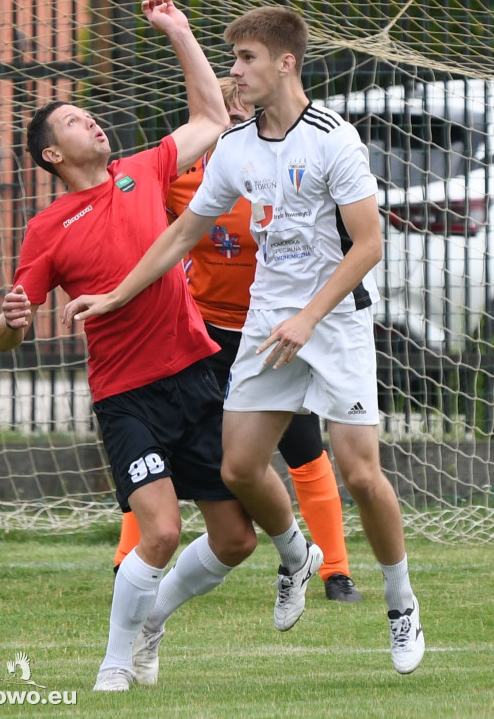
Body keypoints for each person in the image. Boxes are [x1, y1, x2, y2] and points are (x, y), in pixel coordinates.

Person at [62, 5, 426, 675]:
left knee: (360, 474)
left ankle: (400, 605)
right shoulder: (234, 149)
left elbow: (368, 245)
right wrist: (116, 294)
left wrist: (310, 316)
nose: (235, 73)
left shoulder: (333, 140)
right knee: (236, 469)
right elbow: (178, 237)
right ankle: (294, 558)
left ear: (285, 62)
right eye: (232, 60)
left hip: (334, 320)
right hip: (267, 325)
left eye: (246, 59)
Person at [0, 0, 260, 693]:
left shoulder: (144, 171)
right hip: (127, 397)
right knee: (162, 533)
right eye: (76, 120)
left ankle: (151, 620)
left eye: (92, 114)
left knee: (236, 541)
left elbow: (209, 115)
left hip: (198, 376)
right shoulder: (47, 228)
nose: (93, 121)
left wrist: (178, 27)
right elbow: (6, 337)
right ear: (53, 153)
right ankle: (115, 663)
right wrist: (11, 321)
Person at [113, 76, 362, 603]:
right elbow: (152, 229)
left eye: (241, 108)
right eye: (221, 110)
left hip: (273, 329)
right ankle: (126, 563)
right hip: (205, 331)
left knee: (302, 445)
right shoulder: (187, 176)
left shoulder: (282, 165)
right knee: (170, 444)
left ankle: (334, 569)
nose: (234, 118)